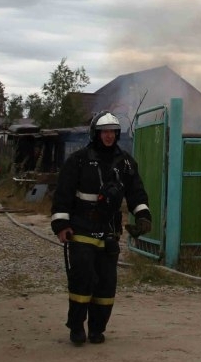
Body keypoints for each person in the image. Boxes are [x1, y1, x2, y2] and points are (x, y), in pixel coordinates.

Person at [51, 111, 151, 346]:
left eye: (113, 132)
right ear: (96, 134)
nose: (109, 136)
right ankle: (77, 326)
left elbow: (136, 193)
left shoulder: (126, 162)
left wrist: (144, 216)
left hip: (109, 230)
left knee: (106, 283)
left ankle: (97, 329)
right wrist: (61, 225)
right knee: (83, 277)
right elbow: (63, 195)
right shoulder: (78, 160)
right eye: (104, 132)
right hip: (81, 227)